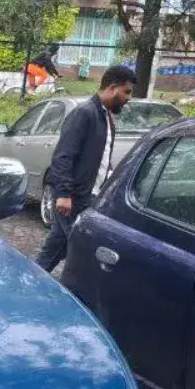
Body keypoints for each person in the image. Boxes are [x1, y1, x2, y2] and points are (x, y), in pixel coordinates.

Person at [35, 64, 137, 274]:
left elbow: (99, 159)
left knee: (57, 245)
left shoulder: (106, 117)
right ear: (112, 87)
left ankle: (30, 282)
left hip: (89, 196)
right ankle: (77, 298)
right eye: (126, 92)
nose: (129, 98)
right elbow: (63, 156)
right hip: (74, 198)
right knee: (85, 251)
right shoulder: (85, 113)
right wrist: (62, 194)